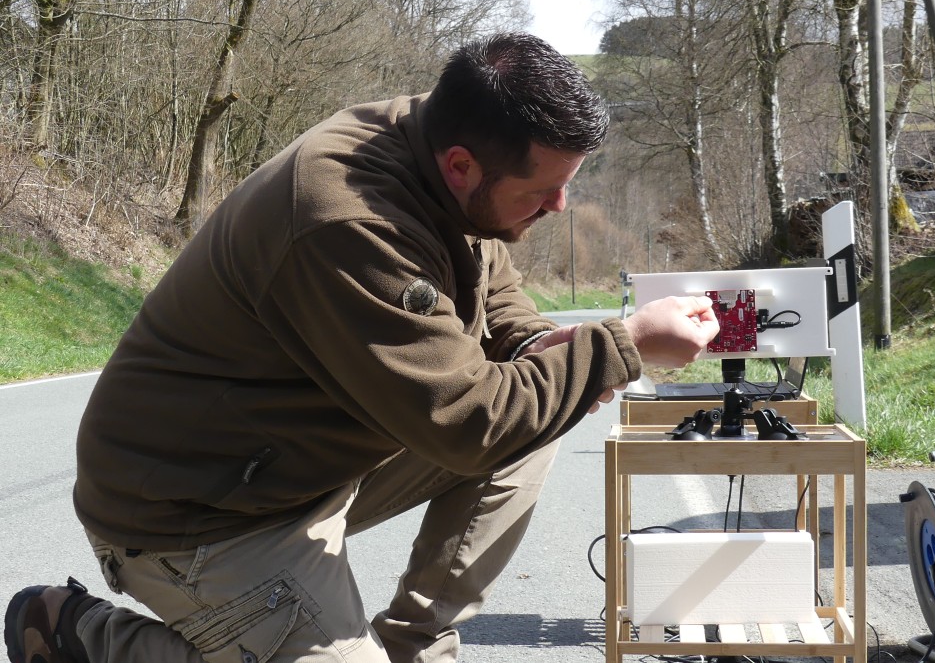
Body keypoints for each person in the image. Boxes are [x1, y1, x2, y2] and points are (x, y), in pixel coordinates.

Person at [5, 32, 718, 663]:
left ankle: (413, 648)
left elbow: (487, 270)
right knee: (522, 406)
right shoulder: (345, 220)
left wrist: (538, 340)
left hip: (292, 465)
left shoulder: (437, 143)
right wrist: (623, 343)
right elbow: (468, 423)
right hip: (198, 513)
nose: (559, 208)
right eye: (544, 192)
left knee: (542, 404)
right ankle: (79, 634)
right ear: (464, 166)